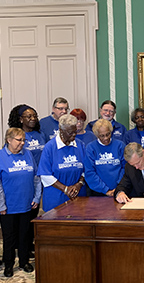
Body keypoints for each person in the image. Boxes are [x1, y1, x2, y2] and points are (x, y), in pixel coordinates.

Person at [0, 128, 41, 277]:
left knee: (25, 235)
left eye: (24, 140)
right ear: (9, 140)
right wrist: (1, 205)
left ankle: (24, 261)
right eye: (19, 140)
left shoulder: (28, 154)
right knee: (9, 237)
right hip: (8, 207)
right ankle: (9, 264)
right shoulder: (1, 156)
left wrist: (37, 197)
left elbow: (36, 178)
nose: (22, 143)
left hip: (27, 205)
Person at [8, 104, 46, 257]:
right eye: (28, 116)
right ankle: (19, 246)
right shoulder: (17, 135)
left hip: (39, 178)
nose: (32, 119)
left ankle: (28, 245)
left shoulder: (40, 134)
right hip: (23, 179)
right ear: (20, 119)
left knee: (33, 214)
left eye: (34, 116)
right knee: (21, 217)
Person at [37, 114, 86, 212]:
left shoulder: (80, 145)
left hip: (77, 196)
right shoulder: (49, 147)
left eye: (75, 131)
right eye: (70, 132)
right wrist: (65, 189)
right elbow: (45, 175)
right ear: (61, 130)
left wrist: (79, 184)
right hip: (56, 199)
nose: (74, 135)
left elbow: (86, 170)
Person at [84, 119, 125, 196]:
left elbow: (125, 168)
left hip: (119, 190)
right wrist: (105, 190)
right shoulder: (91, 148)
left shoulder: (120, 145)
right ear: (96, 135)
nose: (106, 138)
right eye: (102, 136)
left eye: (108, 134)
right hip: (98, 192)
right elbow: (89, 172)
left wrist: (118, 187)